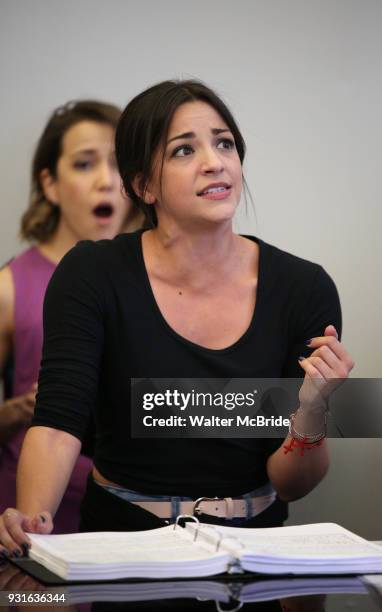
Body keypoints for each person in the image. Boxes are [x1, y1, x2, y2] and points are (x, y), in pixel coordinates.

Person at [0, 80, 354, 555]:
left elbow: (291, 484)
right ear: (143, 185)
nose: (215, 161)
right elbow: (59, 420)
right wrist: (31, 519)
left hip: (253, 554)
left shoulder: (303, 288)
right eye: (184, 150)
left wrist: (311, 410)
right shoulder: (92, 273)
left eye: (224, 142)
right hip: (125, 547)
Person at [0, 99, 143, 536]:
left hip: (134, 520)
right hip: (38, 521)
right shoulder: (9, 288)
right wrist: (25, 409)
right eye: (84, 165)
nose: (106, 181)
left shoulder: (164, 280)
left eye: (119, 165)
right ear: (51, 183)